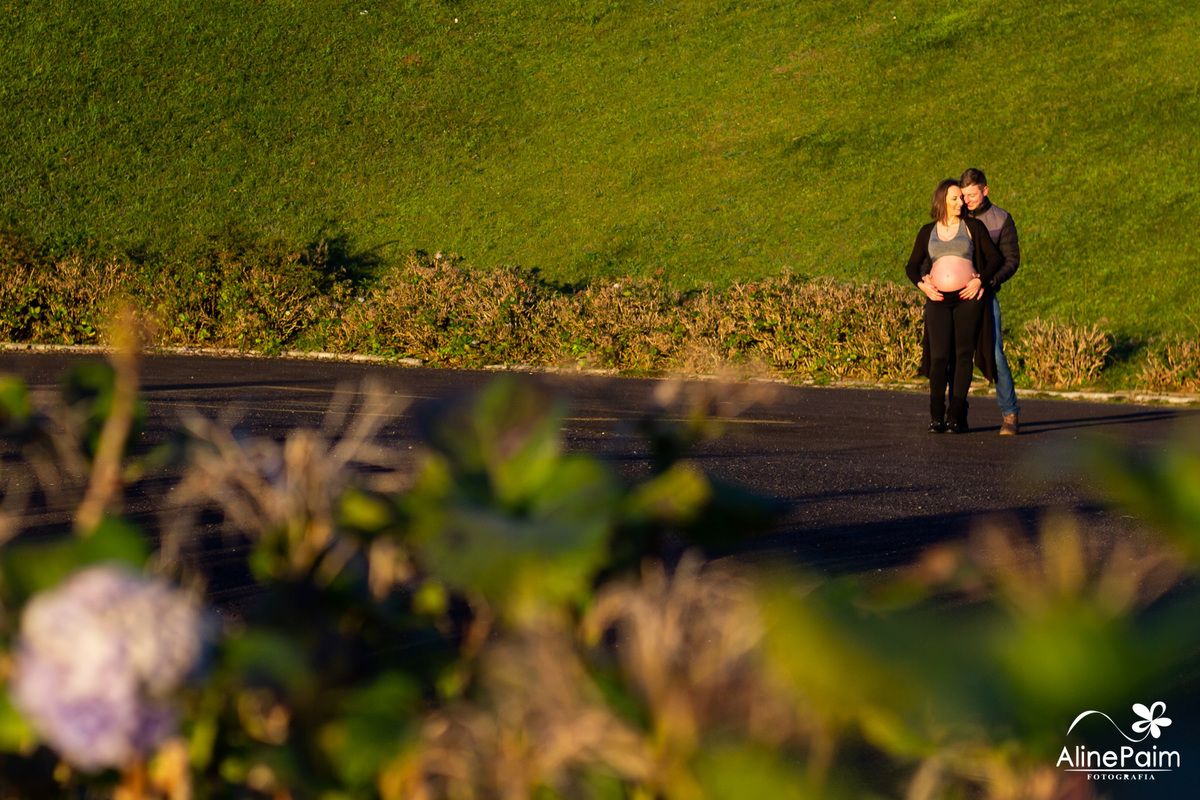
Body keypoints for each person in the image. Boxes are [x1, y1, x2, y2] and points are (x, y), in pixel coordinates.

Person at [905, 178, 1004, 434]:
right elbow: (912, 266)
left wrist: (981, 280)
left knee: (962, 357)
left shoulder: (973, 226)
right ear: (942, 201)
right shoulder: (927, 231)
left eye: (961, 198)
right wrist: (922, 285)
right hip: (938, 300)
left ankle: (954, 415)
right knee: (938, 357)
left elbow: (995, 258)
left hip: (967, 299)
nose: (961, 202)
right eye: (955, 199)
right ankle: (936, 416)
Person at [959, 168, 1021, 434]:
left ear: (985, 190)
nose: (967, 201)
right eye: (964, 195)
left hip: (986, 295)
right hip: (957, 297)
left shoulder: (1001, 219)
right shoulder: (956, 217)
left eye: (972, 195)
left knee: (995, 353)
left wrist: (990, 282)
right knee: (955, 356)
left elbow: (1011, 260)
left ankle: (1010, 415)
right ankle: (956, 414)